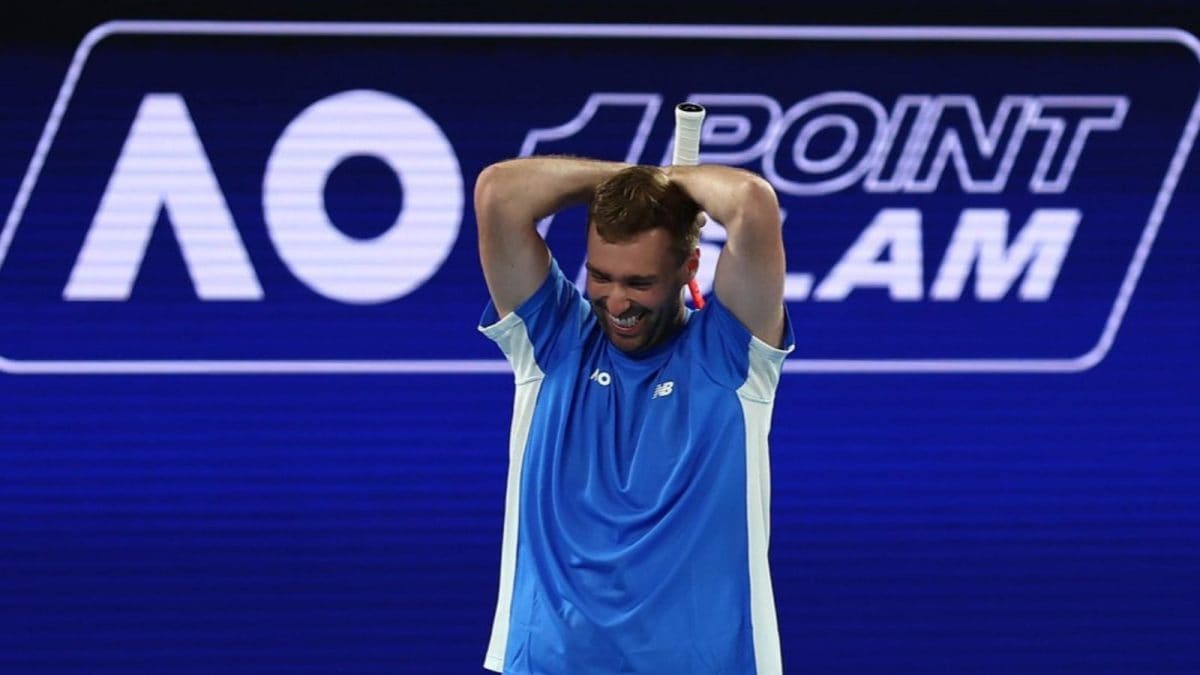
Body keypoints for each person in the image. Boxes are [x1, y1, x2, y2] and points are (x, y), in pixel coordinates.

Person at [475, 155, 793, 675]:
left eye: (639, 283)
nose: (616, 300)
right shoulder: (551, 342)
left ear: (689, 268)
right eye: (600, 276)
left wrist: (668, 185)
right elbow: (499, 192)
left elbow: (752, 205)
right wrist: (642, 183)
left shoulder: (732, 359)